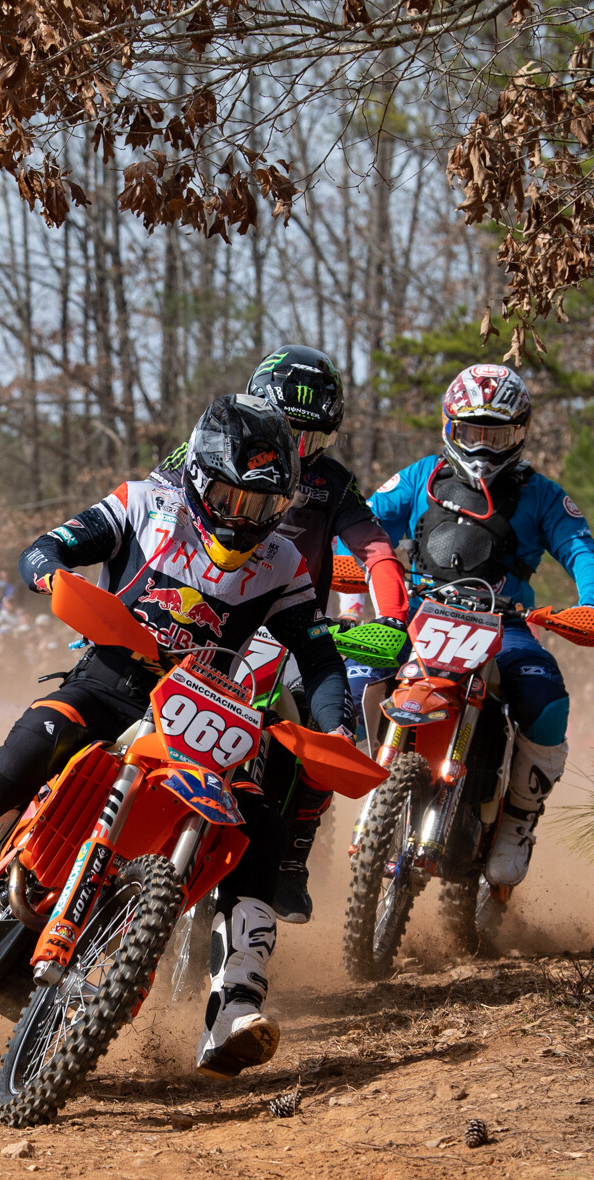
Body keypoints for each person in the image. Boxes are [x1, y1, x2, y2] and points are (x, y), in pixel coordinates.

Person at [0, 394, 350, 1079]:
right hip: (114, 676)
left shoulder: (284, 561)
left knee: (263, 820)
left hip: (206, 709)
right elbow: (53, 544)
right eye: (233, 497)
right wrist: (50, 568)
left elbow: (319, 656)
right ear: (202, 479)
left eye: (264, 507)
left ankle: (235, 1000)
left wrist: (340, 723)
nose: (247, 519)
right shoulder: (144, 504)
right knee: (34, 739)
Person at [154, 345, 411, 921]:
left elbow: (373, 549)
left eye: (313, 440)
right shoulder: (208, 447)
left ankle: (292, 857)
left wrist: (392, 616)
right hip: (202, 613)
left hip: (290, 625)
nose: (298, 452)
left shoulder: (332, 483)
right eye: (290, 433)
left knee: (327, 716)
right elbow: (147, 512)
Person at [360, 362, 594, 889]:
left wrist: (591, 601)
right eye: (473, 431)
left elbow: (581, 550)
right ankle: (364, 776)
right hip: (419, 614)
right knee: (354, 667)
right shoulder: (420, 478)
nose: (483, 447)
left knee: (546, 700)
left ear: (519, 434)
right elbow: (362, 524)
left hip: (504, 623)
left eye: (497, 435)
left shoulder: (541, 494)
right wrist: (354, 562)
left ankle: (519, 820)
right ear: (451, 426)